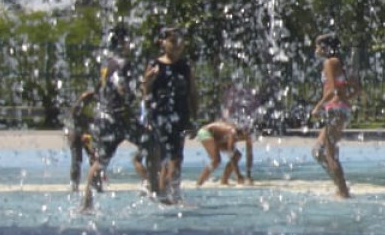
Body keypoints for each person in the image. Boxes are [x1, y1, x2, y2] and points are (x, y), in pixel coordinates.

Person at [81, 26, 141, 211]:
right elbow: (121, 86)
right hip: (118, 116)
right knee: (153, 143)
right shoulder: (122, 63)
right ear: (123, 42)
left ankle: (87, 202)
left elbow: (100, 87)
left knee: (101, 160)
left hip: (104, 115)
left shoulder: (107, 63)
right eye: (129, 40)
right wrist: (133, 94)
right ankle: (157, 190)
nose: (131, 44)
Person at [139, 25, 197, 203]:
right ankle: (165, 195)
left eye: (179, 41)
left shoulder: (184, 66)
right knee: (166, 159)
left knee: (177, 159)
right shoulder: (155, 65)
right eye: (172, 41)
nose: (177, 45)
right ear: (162, 43)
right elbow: (145, 93)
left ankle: (172, 193)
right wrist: (147, 81)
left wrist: (194, 117)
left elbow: (192, 92)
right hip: (160, 117)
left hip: (180, 116)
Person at [309, 33, 354, 198]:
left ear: (325, 47)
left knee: (329, 153)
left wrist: (318, 107)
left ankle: (343, 192)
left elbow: (332, 90)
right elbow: (356, 87)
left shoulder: (329, 62)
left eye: (317, 46)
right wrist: (344, 100)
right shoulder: (341, 62)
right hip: (341, 108)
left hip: (334, 109)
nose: (316, 50)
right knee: (318, 151)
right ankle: (340, 186)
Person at [193, 117, 255, 186]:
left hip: (219, 137)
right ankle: (199, 183)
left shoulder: (249, 137)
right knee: (216, 160)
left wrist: (248, 175)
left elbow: (249, 155)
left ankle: (224, 181)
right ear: (243, 131)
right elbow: (230, 154)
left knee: (237, 156)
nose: (248, 137)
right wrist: (238, 175)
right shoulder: (232, 133)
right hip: (205, 132)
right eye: (247, 134)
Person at [63, 86, 95, 191]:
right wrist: (81, 135)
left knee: (93, 156)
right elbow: (72, 121)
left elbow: (90, 119)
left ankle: (95, 180)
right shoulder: (78, 106)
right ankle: (74, 182)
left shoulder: (90, 106)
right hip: (75, 133)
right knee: (77, 158)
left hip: (85, 132)